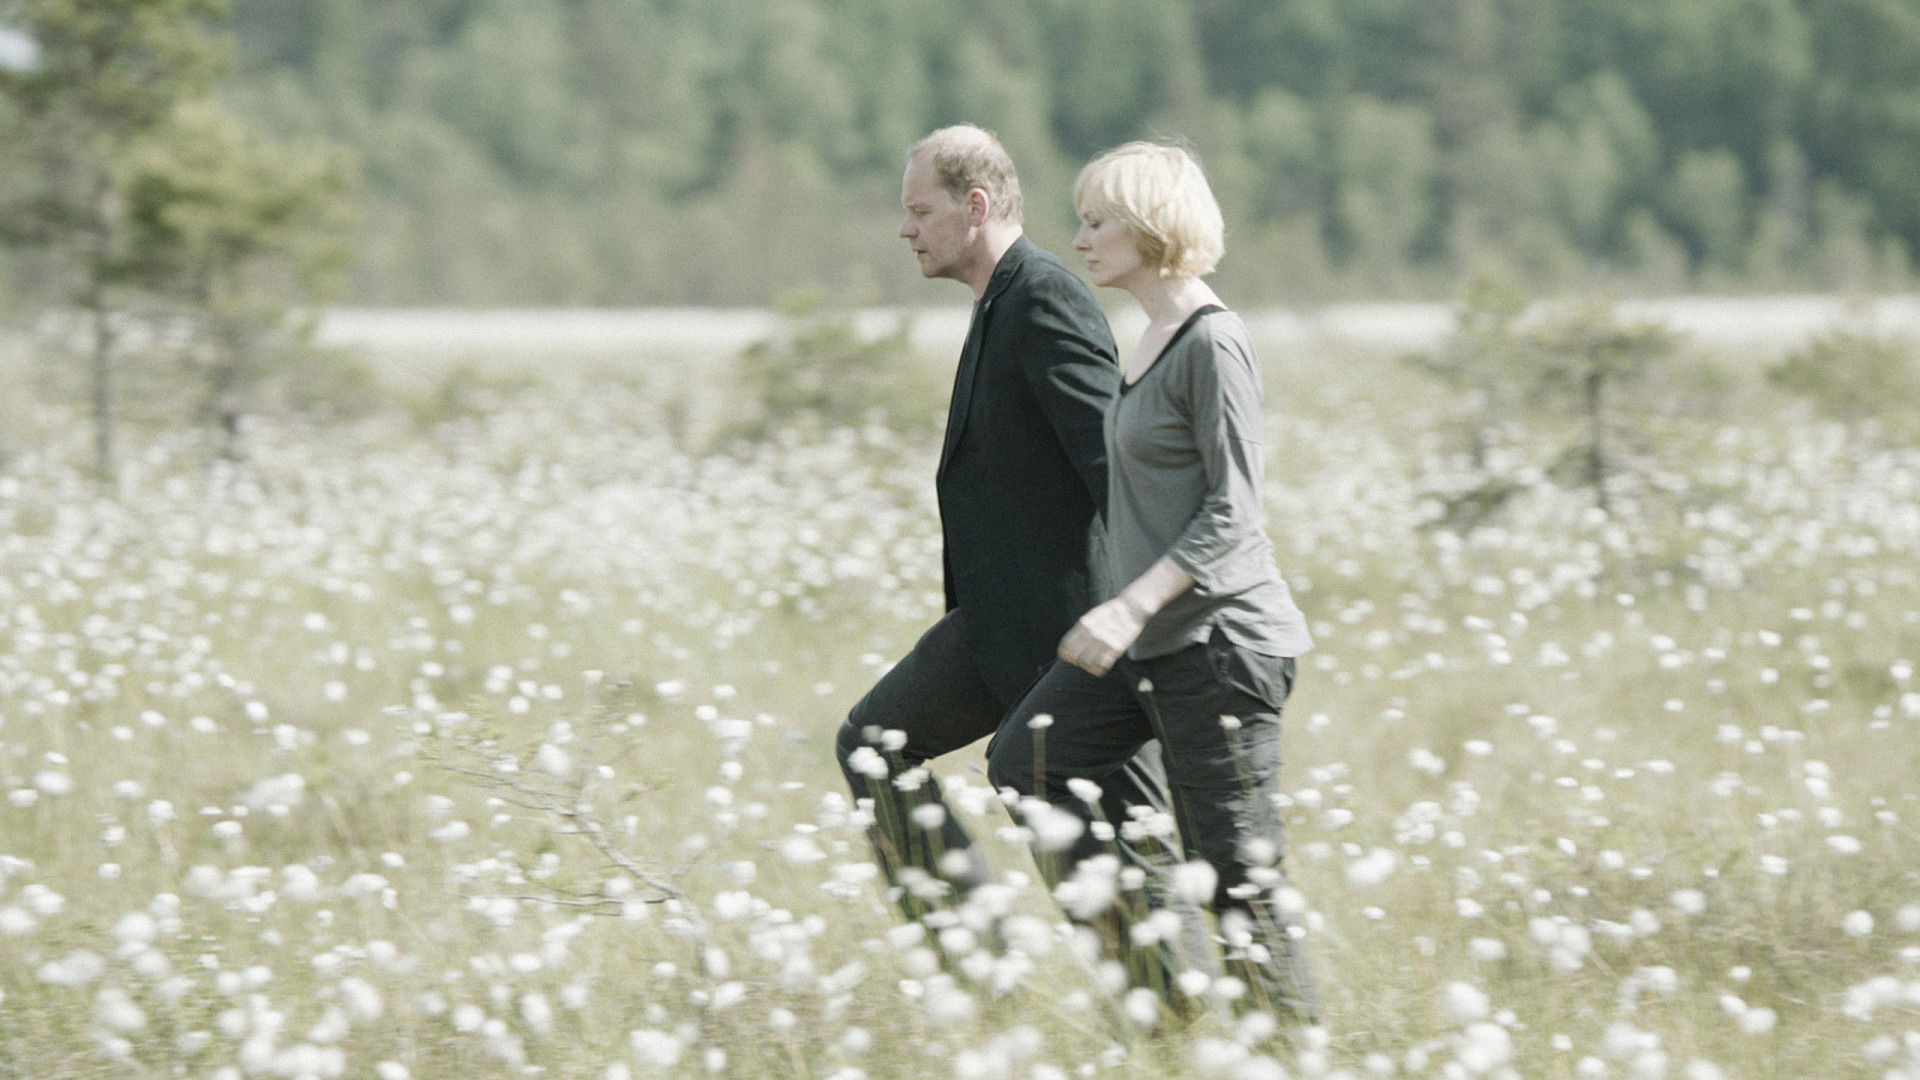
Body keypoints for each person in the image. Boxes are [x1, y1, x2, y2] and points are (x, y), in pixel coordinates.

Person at [985, 140, 1320, 1025]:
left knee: (1240, 880)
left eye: (1098, 222)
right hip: (1153, 644)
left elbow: (1234, 513)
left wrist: (1129, 604)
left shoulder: (1214, 342)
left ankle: (1289, 1052)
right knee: (1028, 759)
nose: (1081, 240)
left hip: (1220, 648)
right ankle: (1168, 996)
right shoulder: (1152, 338)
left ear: (1149, 227)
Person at [834, 126, 1190, 952]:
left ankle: (1170, 994)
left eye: (921, 211)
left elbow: (1118, 471)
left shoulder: (1044, 298)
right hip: (998, 627)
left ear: (976, 206)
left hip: (1074, 631)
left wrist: (1138, 618)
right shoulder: (1000, 301)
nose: (905, 229)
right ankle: (977, 960)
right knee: (874, 746)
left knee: (1133, 842)